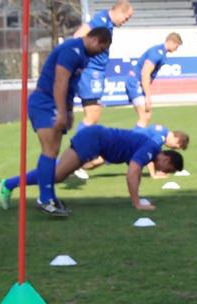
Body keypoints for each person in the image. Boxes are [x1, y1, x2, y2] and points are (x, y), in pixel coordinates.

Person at [21, 27, 112, 216]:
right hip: (45, 102)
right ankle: (45, 199)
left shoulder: (83, 55)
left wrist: (69, 111)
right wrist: (61, 111)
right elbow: (60, 82)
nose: (101, 53)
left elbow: (71, 85)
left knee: (53, 152)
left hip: (54, 103)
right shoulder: (72, 50)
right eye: (102, 48)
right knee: (49, 150)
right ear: (96, 40)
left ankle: (49, 197)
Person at [0, 125, 184, 215]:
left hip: (94, 139)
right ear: (166, 158)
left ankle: (9, 184)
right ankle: (8, 185)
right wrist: (137, 203)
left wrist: (139, 198)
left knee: (57, 174)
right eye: (169, 168)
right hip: (93, 140)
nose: (165, 172)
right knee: (57, 174)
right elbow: (132, 173)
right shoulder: (151, 149)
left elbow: (135, 174)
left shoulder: (151, 151)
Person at [71, 0, 133, 180]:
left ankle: (78, 157)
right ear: (119, 12)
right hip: (91, 73)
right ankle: (76, 158)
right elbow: (78, 36)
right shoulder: (100, 21)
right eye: (126, 18)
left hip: (96, 73)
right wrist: (80, 61)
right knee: (91, 117)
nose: (126, 21)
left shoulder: (107, 23)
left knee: (93, 116)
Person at [81, 124, 189, 179]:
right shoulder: (160, 137)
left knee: (97, 161)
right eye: (175, 146)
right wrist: (153, 174)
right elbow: (149, 153)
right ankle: (75, 167)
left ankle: (75, 166)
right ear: (176, 139)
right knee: (97, 161)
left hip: (126, 143)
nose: (172, 149)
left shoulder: (162, 130)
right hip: (124, 146)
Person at [126, 33, 183, 128]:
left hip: (137, 83)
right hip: (135, 83)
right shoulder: (157, 53)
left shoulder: (161, 53)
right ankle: (133, 140)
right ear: (171, 42)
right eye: (176, 46)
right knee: (144, 115)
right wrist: (148, 96)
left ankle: (136, 138)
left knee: (147, 115)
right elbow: (145, 72)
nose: (176, 49)